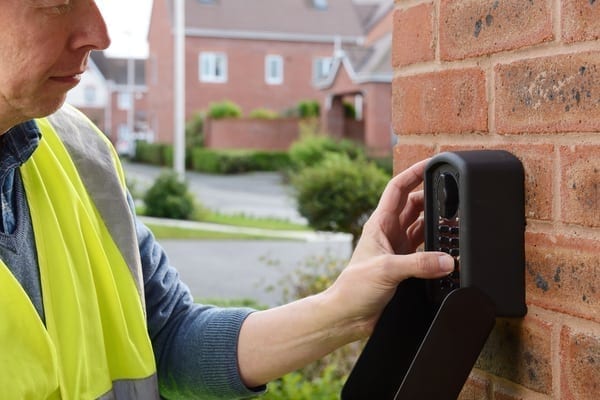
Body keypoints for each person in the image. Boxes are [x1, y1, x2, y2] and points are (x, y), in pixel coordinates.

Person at [0, 1, 455, 399]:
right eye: (57, 2)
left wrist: (342, 309)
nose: (98, 35)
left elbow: (169, 337)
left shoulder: (81, 153)